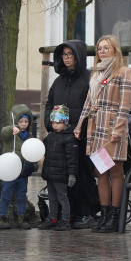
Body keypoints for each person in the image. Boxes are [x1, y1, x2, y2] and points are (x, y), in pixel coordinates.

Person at [75, 35, 131, 233]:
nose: (102, 51)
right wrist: (79, 125)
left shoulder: (123, 72)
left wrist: (118, 129)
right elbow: (88, 102)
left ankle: (115, 217)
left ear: (115, 50)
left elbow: (125, 104)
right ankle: (105, 215)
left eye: (106, 48)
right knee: (101, 172)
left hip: (112, 127)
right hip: (95, 127)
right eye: (99, 48)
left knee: (115, 172)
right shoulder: (96, 73)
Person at [44, 40, 99, 229]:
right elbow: (49, 103)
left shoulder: (88, 79)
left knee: (82, 174)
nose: (67, 58)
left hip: (80, 137)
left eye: (70, 54)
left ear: (79, 56)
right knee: (63, 176)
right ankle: (67, 214)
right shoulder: (58, 81)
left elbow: (92, 106)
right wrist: (49, 123)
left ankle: (85, 212)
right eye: (64, 54)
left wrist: (80, 128)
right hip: (60, 137)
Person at [38, 105, 79, 231]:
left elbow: (72, 159)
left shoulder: (70, 138)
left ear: (65, 122)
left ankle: (65, 220)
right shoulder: (50, 137)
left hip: (61, 174)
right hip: (50, 173)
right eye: (53, 123)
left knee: (62, 197)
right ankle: (52, 218)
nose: (55, 125)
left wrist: (72, 174)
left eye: (58, 123)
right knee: (52, 197)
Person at [0, 103, 37, 229]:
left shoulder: (29, 137)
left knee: (21, 195)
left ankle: (22, 217)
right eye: (21, 121)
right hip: (10, 171)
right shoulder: (10, 134)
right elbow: (3, 133)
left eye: (26, 121)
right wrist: (12, 129)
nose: (24, 124)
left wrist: (34, 165)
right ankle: (1, 216)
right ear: (15, 121)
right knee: (6, 195)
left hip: (23, 173)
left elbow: (33, 152)